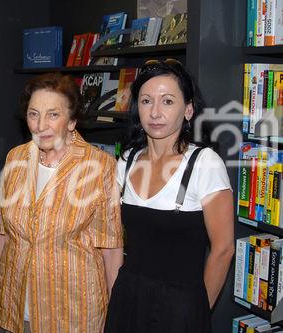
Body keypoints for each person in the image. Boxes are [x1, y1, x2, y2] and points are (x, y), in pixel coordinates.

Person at [0, 73, 124, 332]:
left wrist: (114, 314)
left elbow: (111, 250)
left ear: (72, 121)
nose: (40, 125)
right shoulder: (16, 159)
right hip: (13, 309)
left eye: (53, 115)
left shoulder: (100, 167)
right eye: (34, 114)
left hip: (73, 314)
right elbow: (2, 231)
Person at [104, 59, 234, 333]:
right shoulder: (126, 161)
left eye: (167, 101)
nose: (155, 112)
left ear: (188, 110)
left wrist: (196, 310)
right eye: (146, 101)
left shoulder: (204, 163)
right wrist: (114, 294)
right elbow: (112, 238)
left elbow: (223, 250)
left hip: (181, 307)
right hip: (127, 299)